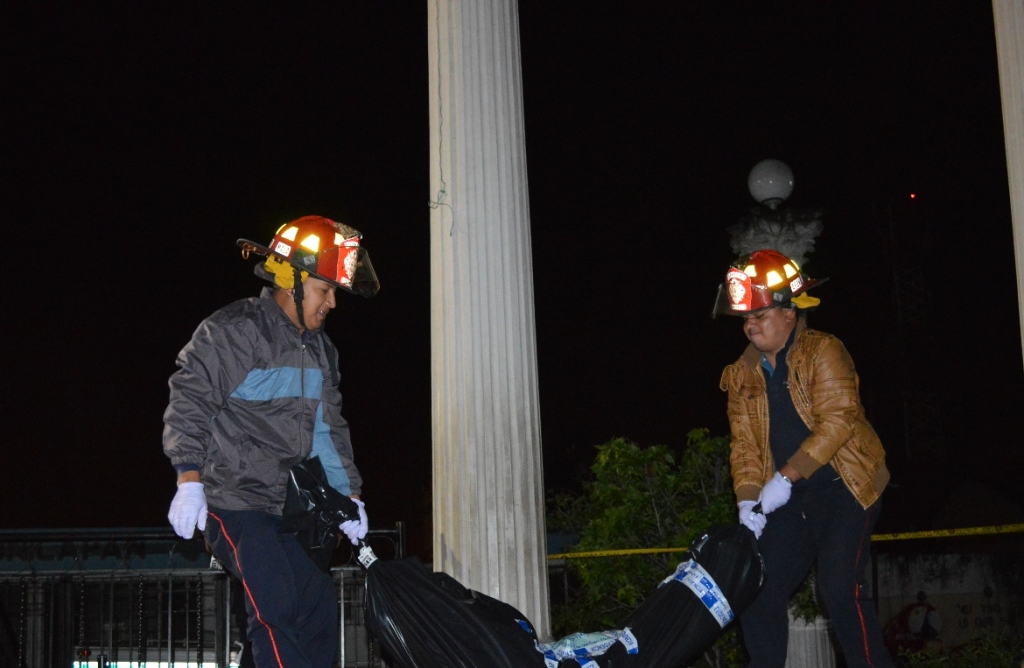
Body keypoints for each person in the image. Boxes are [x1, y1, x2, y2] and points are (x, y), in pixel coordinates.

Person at [163, 215, 379, 668]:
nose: (332, 303)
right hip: (233, 500)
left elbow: (327, 431)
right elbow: (190, 399)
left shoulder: (320, 350)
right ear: (292, 282)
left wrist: (351, 497)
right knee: (275, 600)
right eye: (325, 290)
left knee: (317, 603)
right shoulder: (236, 330)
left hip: (286, 509)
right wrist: (188, 478)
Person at [714, 248, 894, 668]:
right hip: (793, 501)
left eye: (760, 315)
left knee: (838, 588)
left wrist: (786, 477)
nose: (751, 324)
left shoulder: (824, 351)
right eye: (746, 317)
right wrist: (747, 499)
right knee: (756, 587)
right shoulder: (740, 374)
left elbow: (839, 420)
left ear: (789, 313)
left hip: (846, 488)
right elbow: (744, 445)